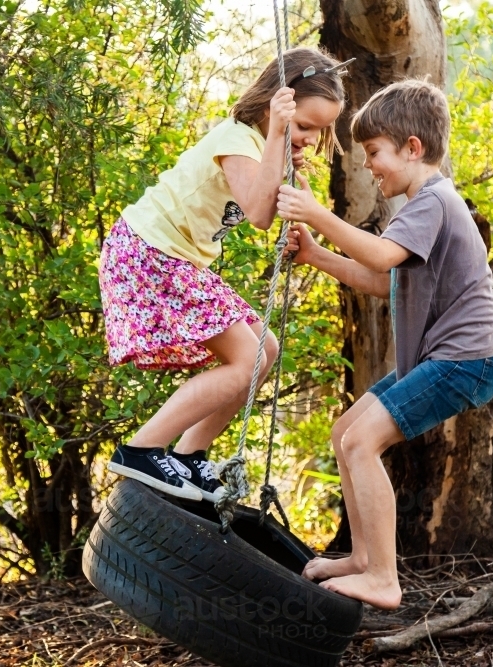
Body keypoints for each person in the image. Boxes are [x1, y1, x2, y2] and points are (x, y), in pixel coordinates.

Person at [276, 79, 493, 608]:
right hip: (450, 360)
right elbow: (386, 280)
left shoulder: (431, 201)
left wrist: (317, 215)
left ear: (412, 148)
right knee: (345, 433)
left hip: (464, 361)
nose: (369, 165)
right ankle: (363, 557)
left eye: (374, 152)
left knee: (362, 443)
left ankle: (383, 577)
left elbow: (380, 258)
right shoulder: (425, 205)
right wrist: (316, 255)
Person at [100, 48, 347, 503]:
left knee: (263, 352)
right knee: (244, 360)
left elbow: (278, 203)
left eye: (320, 130)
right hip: (150, 251)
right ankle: (141, 448)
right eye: (306, 126)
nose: (312, 139)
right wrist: (277, 133)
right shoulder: (237, 138)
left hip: (176, 258)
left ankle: (192, 453)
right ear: (278, 105)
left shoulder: (268, 147)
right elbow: (257, 212)